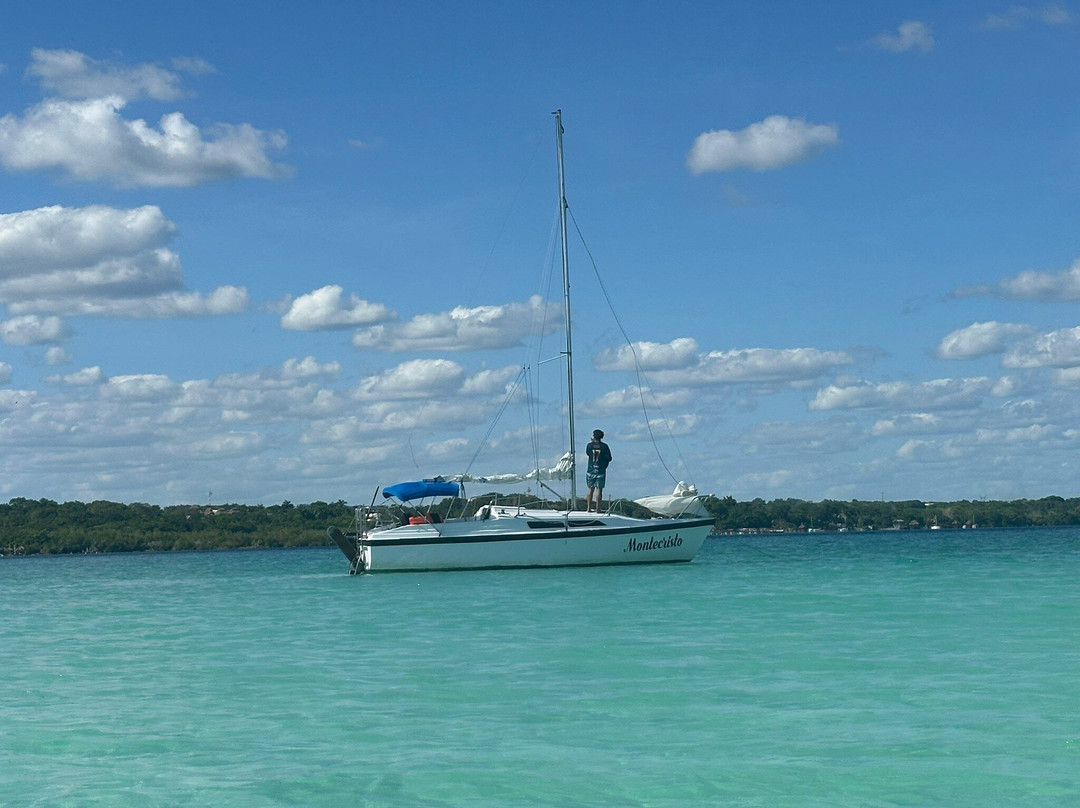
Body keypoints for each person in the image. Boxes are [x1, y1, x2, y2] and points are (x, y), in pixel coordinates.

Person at [585, 429, 612, 513]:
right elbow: (609, 458)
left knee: (590, 489)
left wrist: (593, 443)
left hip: (591, 470)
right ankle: (598, 509)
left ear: (594, 436)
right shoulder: (604, 446)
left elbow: (588, 453)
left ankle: (589, 508)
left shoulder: (589, 445)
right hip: (600, 470)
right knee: (599, 490)